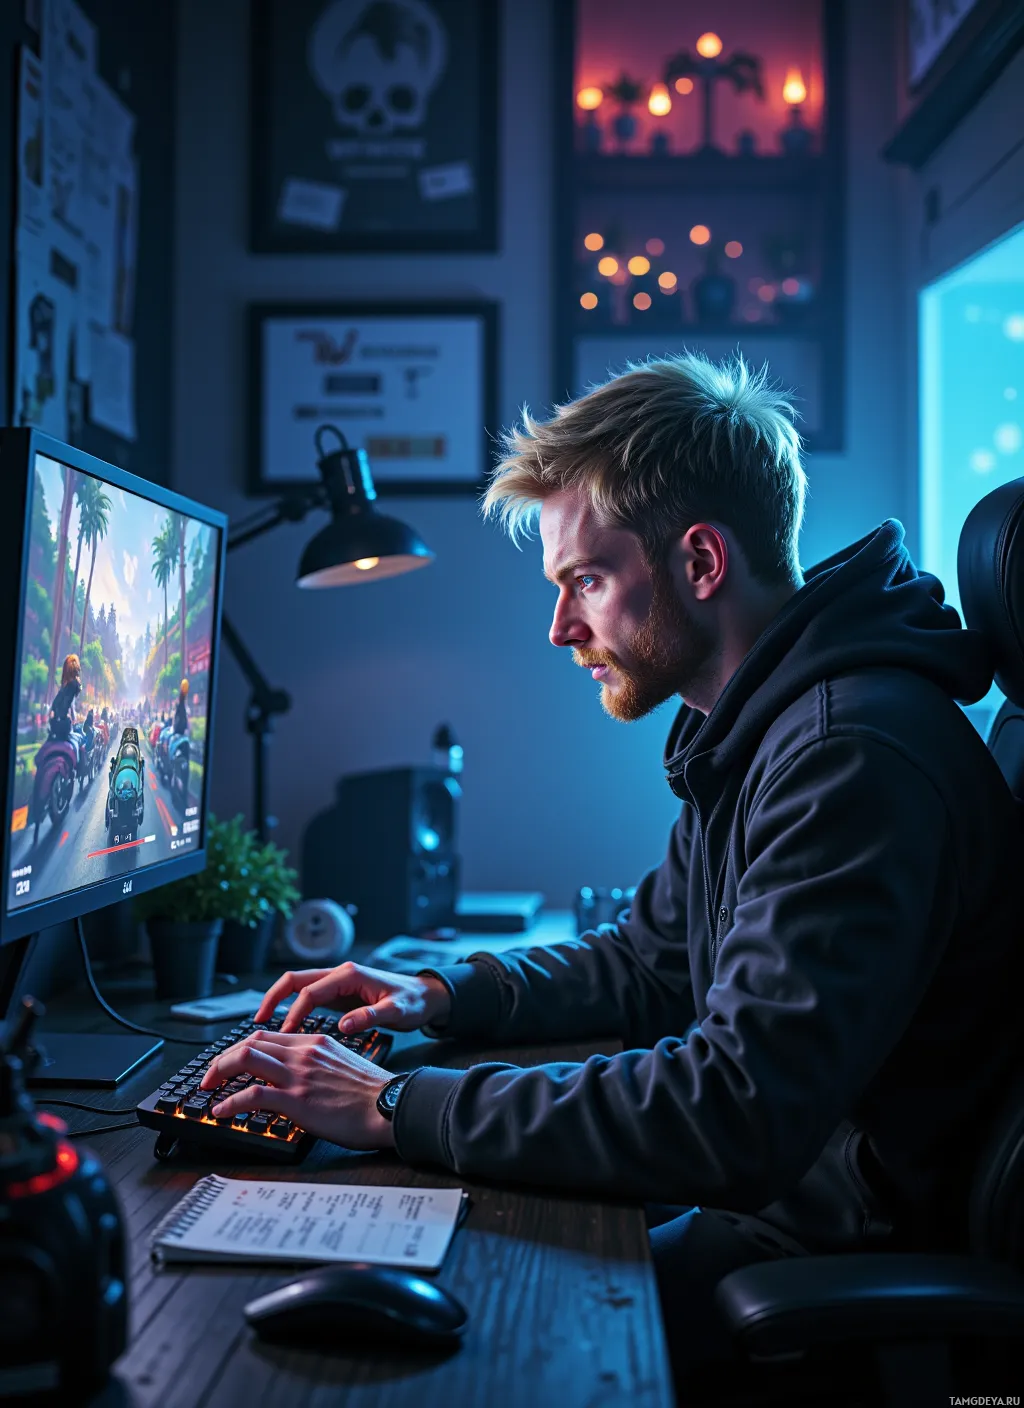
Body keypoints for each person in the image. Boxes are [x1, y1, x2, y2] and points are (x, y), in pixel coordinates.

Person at [198, 353, 1024, 1386]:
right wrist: (439, 994)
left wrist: (394, 1105)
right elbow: (648, 959)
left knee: (476, 1342)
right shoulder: (760, 728)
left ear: (701, 561)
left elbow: (734, 1108)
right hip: (783, 1214)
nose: (561, 628)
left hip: (828, 1258)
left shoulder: (846, 755)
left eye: (584, 580)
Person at [48, 654, 82, 742]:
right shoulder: (71, 685)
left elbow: (60, 704)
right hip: (62, 724)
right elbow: (64, 705)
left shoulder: (68, 686)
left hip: (58, 724)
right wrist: (66, 717)